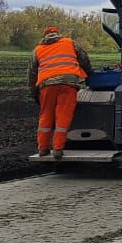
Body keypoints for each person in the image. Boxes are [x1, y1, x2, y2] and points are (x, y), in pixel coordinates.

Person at [28, 25, 93, 159]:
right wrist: (90, 74)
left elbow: (32, 74)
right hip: (68, 84)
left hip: (46, 85)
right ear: (58, 35)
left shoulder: (37, 50)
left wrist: (34, 92)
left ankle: (43, 148)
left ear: (44, 37)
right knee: (63, 115)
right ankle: (57, 149)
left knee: (45, 115)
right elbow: (84, 60)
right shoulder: (70, 43)